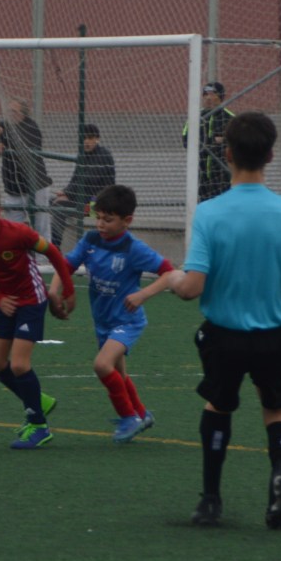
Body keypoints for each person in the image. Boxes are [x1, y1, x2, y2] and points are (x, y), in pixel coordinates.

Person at [167, 112, 281, 529]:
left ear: (228, 154)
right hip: (276, 335)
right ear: (270, 155)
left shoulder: (210, 212)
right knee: (278, 405)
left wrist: (174, 280)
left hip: (225, 336)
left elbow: (193, 287)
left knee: (219, 404)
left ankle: (210, 499)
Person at [49, 184, 175, 443]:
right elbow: (65, 266)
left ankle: (129, 417)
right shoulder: (91, 240)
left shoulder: (134, 249)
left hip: (127, 320)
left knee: (102, 365)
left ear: (127, 221)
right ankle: (142, 414)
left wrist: (143, 294)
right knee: (119, 374)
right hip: (103, 321)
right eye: (98, 218)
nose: (100, 224)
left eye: (108, 219)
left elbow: (170, 273)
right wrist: (54, 291)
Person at [0, 181, 76, 449]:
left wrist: (68, 291)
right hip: (7, 302)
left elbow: (53, 252)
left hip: (32, 299)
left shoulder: (18, 233)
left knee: (19, 365)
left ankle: (39, 426)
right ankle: (39, 401)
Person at [0, 98, 53, 241]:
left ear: (23, 113)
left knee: (41, 229)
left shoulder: (31, 127)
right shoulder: (3, 126)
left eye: (14, 111)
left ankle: (44, 255)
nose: (10, 114)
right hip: (14, 188)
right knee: (11, 230)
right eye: (9, 111)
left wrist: (2, 135)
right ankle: (15, 254)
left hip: (36, 187)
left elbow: (25, 145)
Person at [51, 124, 116, 249]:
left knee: (59, 206)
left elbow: (89, 179)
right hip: (82, 201)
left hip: (96, 207)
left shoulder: (104, 155)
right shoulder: (82, 155)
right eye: (83, 138)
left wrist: (67, 194)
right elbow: (75, 179)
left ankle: (54, 247)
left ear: (97, 139)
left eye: (90, 138)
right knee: (49, 202)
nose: (86, 142)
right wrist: (65, 192)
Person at [182, 82, 235, 201]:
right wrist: (213, 141)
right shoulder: (195, 117)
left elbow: (238, 143)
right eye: (205, 94)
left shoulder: (230, 118)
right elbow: (186, 141)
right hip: (201, 177)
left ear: (220, 96)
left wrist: (221, 141)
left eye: (212, 94)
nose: (208, 98)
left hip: (224, 178)